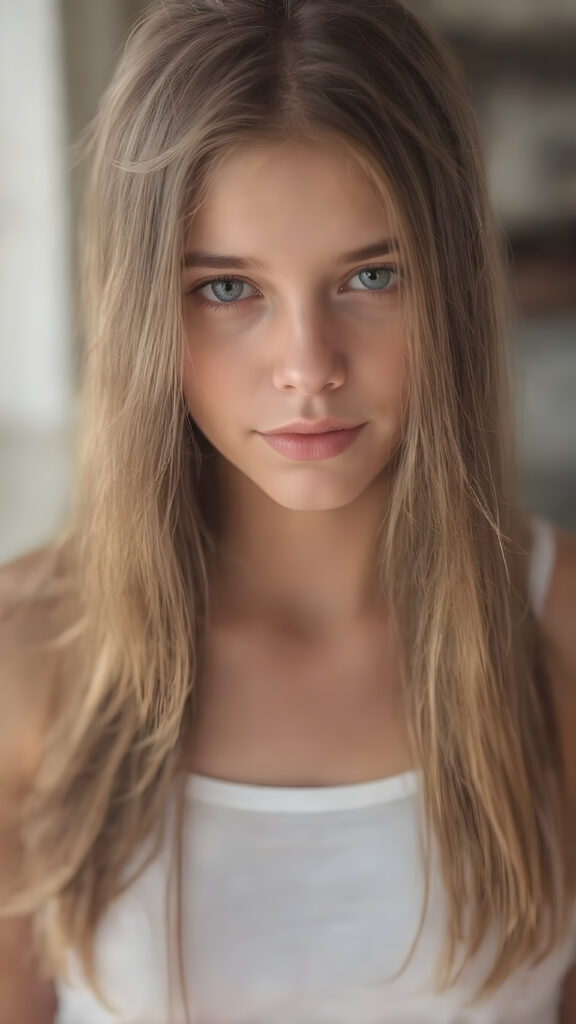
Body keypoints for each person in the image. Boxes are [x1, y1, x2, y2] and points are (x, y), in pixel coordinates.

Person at [1, 0, 575, 1021]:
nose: (308, 367)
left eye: (371, 274)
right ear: (144, 312)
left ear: (448, 282)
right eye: (228, 289)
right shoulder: (29, 655)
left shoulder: (559, 634)